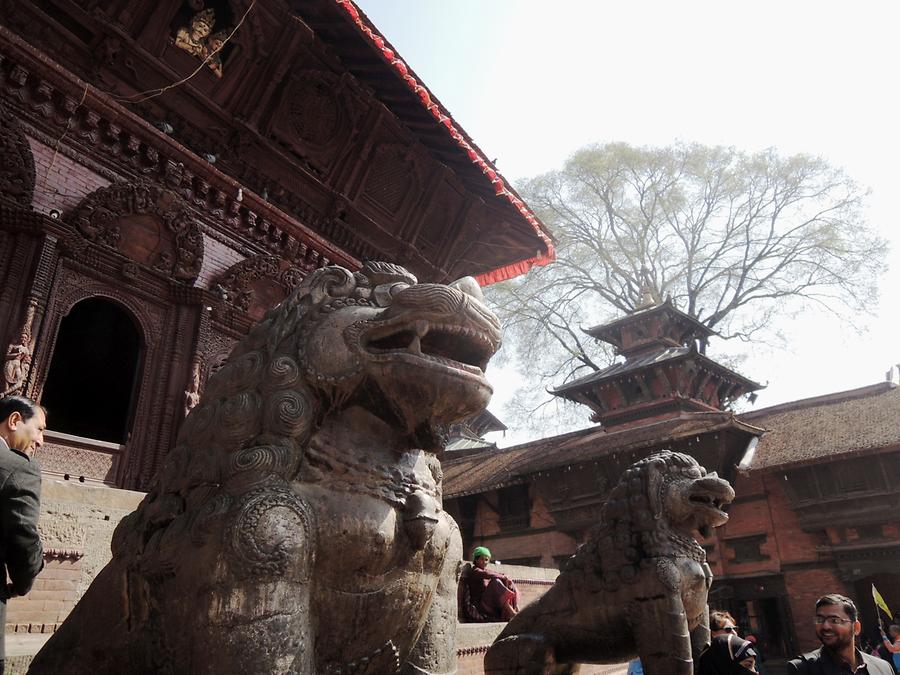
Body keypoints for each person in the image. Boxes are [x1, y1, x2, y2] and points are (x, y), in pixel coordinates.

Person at [0, 396, 45, 674]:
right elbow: (24, 540)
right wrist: (22, 583)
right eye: (39, 429)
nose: (40, 441)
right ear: (14, 421)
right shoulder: (17, 468)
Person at [787, 594, 893, 674]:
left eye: (834, 620)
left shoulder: (883, 668)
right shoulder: (803, 669)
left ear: (856, 627)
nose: (825, 626)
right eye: (819, 620)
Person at [460, 546, 519, 622]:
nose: (484, 562)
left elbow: (494, 573)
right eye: (482, 559)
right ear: (476, 559)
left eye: (486, 560)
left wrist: (505, 578)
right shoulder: (475, 571)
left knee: (508, 582)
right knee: (495, 582)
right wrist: (503, 577)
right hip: (480, 606)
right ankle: (512, 612)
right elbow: (488, 574)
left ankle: (516, 610)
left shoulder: (485, 570)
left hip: (488, 603)